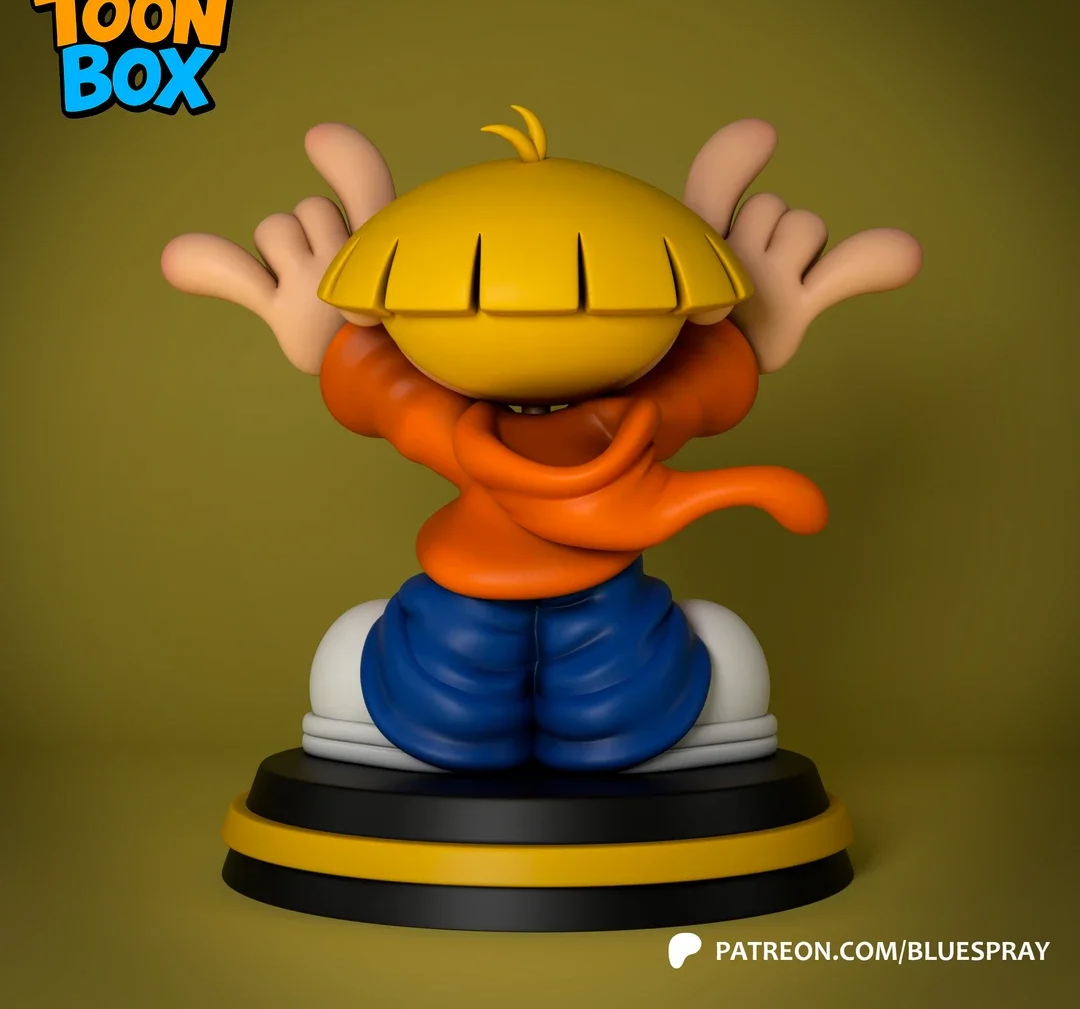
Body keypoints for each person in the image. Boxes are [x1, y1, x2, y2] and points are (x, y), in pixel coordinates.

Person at [162, 106, 921, 774]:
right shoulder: (446, 416)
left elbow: (701, 387)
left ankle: (654, 748)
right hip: (455, 631)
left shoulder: (639, 414)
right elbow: (377, 388)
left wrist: (749, 330)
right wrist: (331, 333)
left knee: (711, 669)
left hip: (614, 628)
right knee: (367, 670)